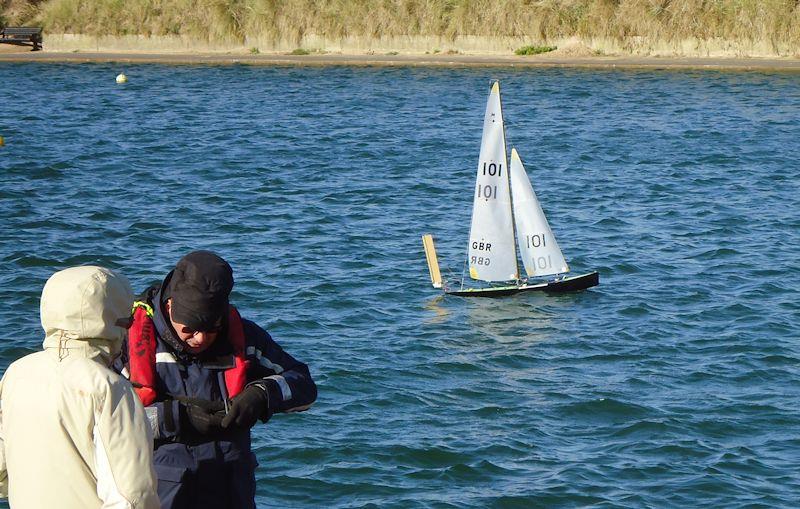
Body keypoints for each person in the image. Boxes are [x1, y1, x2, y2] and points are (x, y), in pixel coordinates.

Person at [118, 250, 317, 509]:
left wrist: (261, 395)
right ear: (169, 307)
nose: (200, 338)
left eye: (211, 328)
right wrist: (176, 418)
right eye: (189, 328)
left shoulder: (247, 339)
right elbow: (104, 423)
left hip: (231, 486)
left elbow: (303, 384)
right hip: (163, 490)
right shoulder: (129, 347)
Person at [0, 266, 159, 509]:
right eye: (127, 321)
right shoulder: (108, 387)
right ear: (112, 324)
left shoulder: (16, 374)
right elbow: (132, 497)